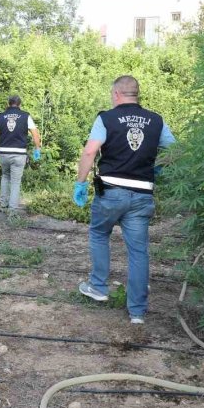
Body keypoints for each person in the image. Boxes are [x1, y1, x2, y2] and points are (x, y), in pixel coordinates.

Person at [72, 76, 175, 325]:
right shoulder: (156, 120)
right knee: (138, 252)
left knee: (99, 233)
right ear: (136, 94)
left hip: (111, 191)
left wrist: (81, 182)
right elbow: (175, 152)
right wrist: (157, 168)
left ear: (117, 94)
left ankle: (98, 286)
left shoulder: (106, 118)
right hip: (142, 194)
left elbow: (90, 151)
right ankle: (137, 312)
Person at [0, 95, 42, 211]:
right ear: (19, 104)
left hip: (4, 153)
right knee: (16, 182)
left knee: (5, 177)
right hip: (19, 154)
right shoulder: (26, 116)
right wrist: (37, 149)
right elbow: (35, 134)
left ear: (8, 104)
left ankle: (3, 205)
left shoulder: (1, 117)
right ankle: (13, 210)